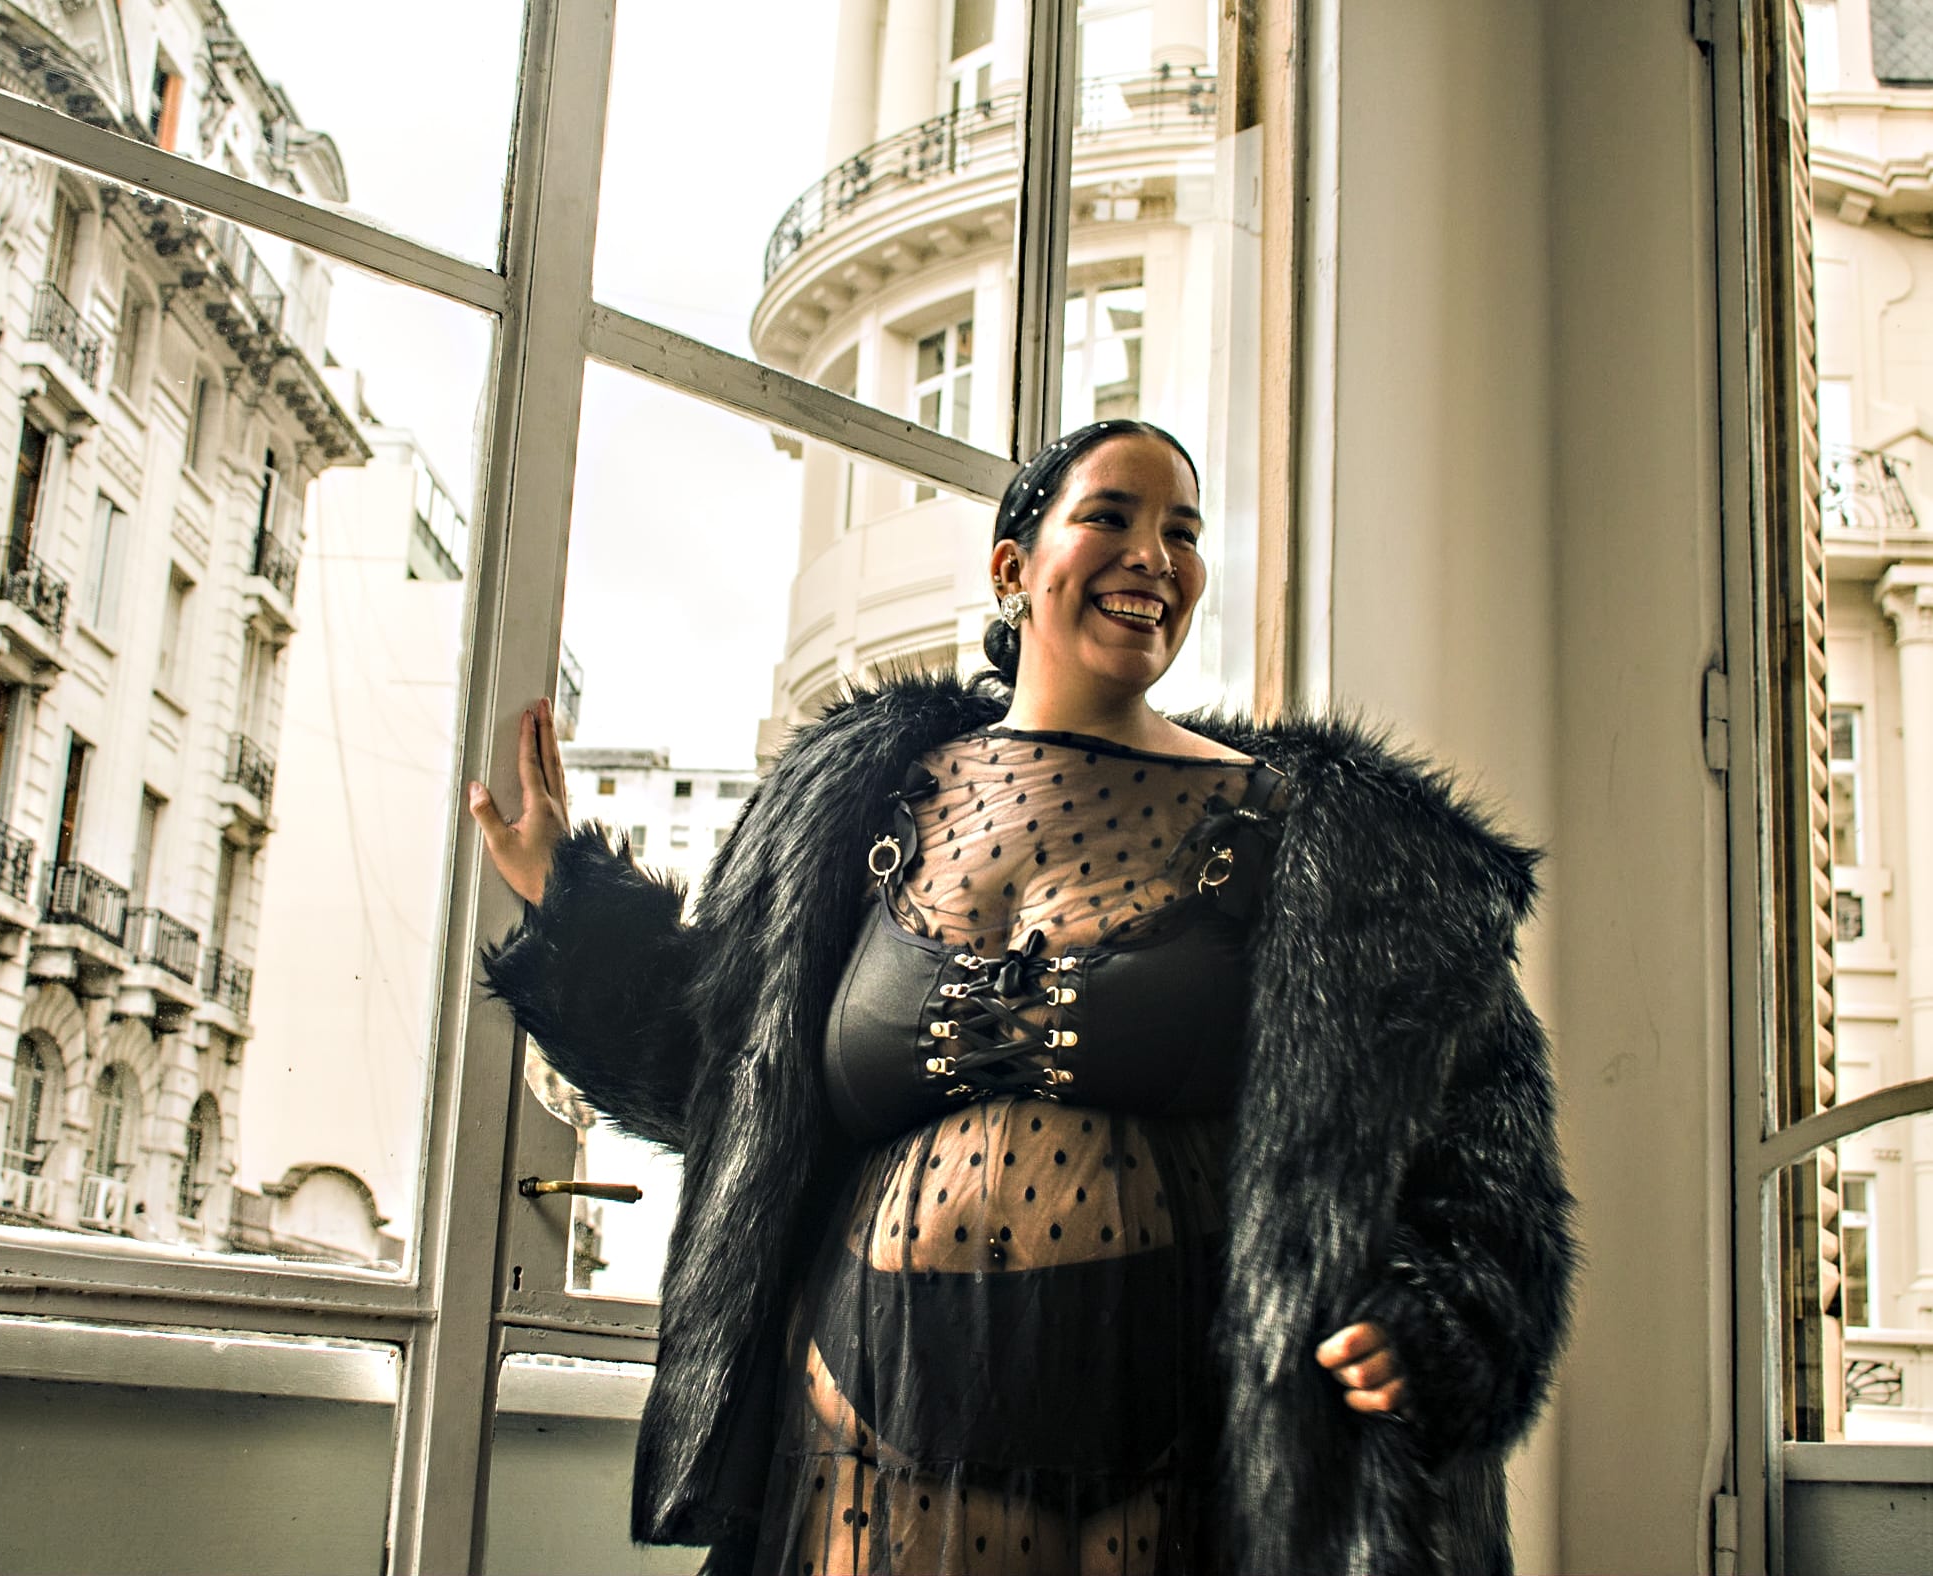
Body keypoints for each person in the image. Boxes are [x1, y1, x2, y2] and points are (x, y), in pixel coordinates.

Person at [470, 419, 1574, 1576]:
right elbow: (724, 1073)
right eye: (1110, 516)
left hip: (1192, 1461)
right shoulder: (846, 809)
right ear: (1010, 566)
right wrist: (574, 905)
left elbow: (1480, 1139)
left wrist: (1443, 1317)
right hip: (856, 1441)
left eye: (1182, 533)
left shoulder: (1339, 845)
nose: (1154, 554)